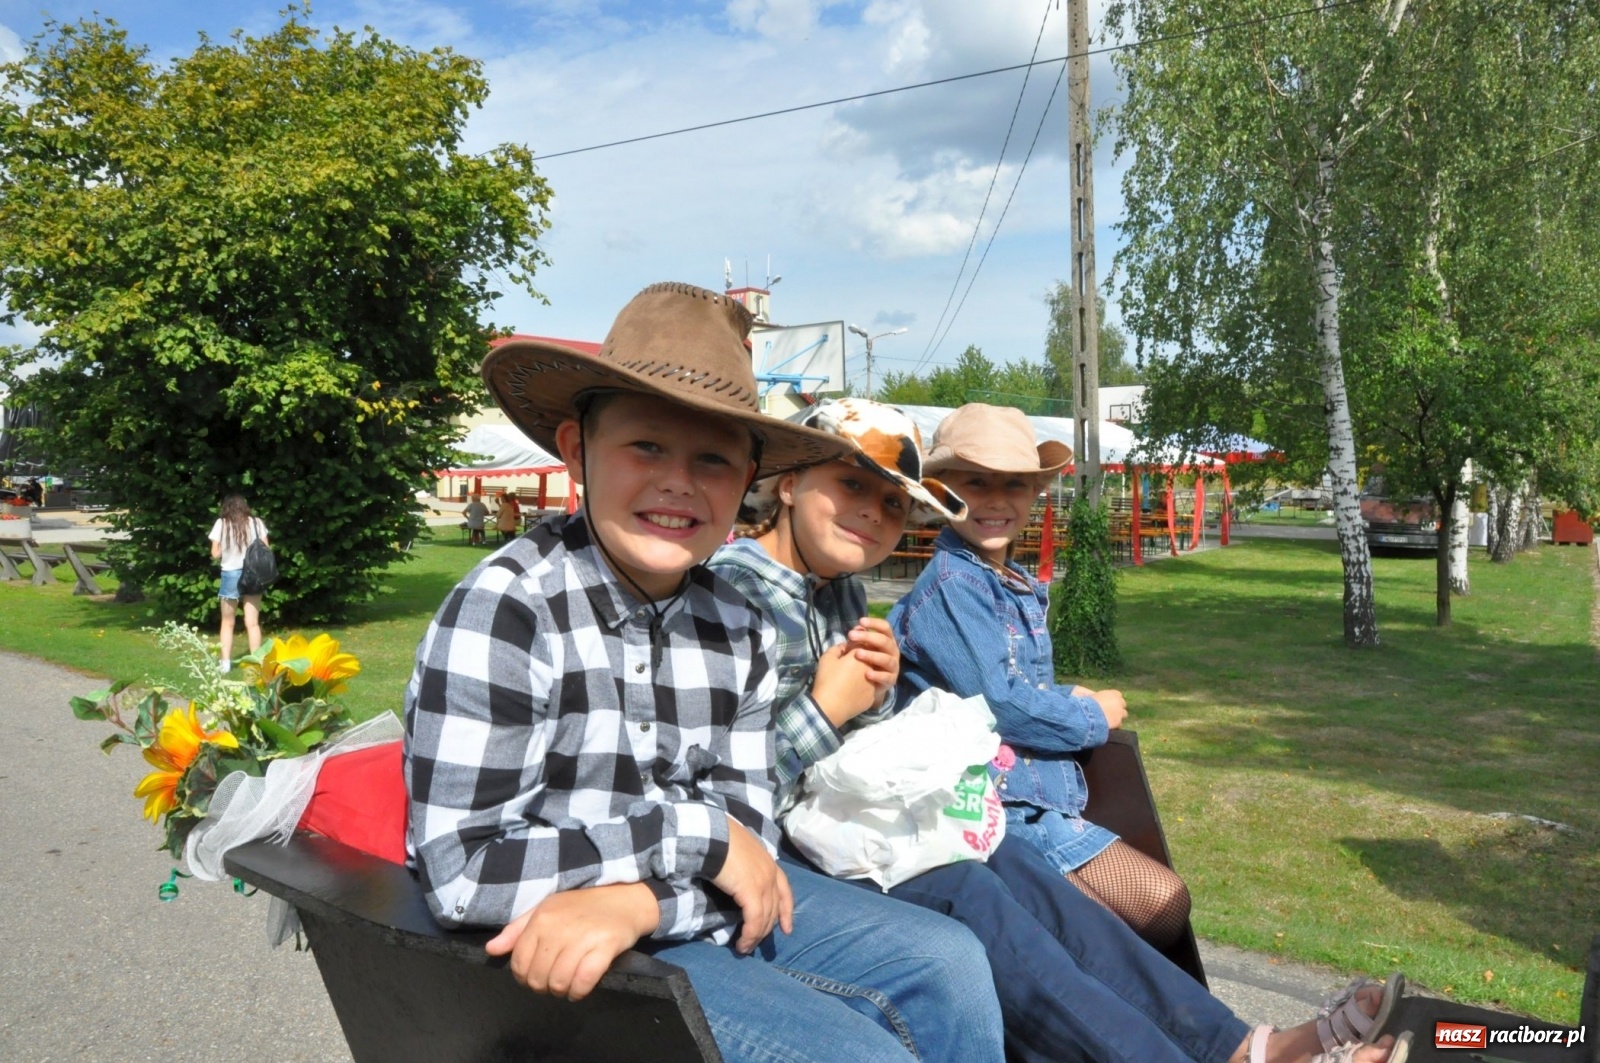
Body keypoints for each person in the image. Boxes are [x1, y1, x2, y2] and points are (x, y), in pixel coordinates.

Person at [404, 282, 1005, 1063]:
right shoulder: (507, 611)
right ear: (577, 448)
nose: (679, 482)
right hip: (549, 948)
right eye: (647, 446)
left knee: (953, 963)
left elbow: (749, 828)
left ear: (747, 478)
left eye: (714, 460)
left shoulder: (736, 621)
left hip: (674, 909)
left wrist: (644, 902)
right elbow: (464, 869)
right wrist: (693, 836)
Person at [709, 397, 1411, 1063]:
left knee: (1021, 870)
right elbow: (709, 776)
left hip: (866, 826)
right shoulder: (736, 590)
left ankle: (1238, 1043)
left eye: (893, 500)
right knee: (975, 894)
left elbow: (869, 748)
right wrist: (830, 708)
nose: (872, 512)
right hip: (785, 855)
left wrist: (880, 695)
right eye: (851, 485)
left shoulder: (839, 588)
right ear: (791, 482)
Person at [891, 402, 1191, 949]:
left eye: (1016, 485)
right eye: (976, 482)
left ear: (1036, 494)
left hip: (1032, 794)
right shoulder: (954, 585)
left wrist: (1060, 692)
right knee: (1155, 903)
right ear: (940, 491)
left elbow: (991, 682)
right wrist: (1089, 717)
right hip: (994, 805)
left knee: (1130, 927)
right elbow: (1000, 706)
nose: (998, 500)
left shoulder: (1004, 578)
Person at [208, 494, 268, 674]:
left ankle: (225, 663)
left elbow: (215, 554)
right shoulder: (256, 522)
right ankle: (256, 662)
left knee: (227, 622)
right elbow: (265, 548)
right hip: (254, 573)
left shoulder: (222, 523)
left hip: (231, 573)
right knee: (252, 622)